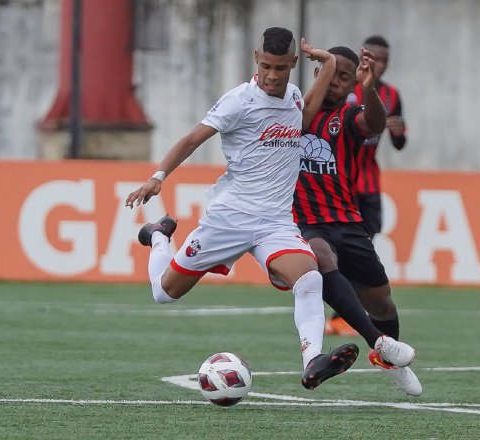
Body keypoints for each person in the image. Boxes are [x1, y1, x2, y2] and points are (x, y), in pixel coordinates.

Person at [125, 28, 369, 391]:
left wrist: (331, 63)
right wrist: (158, 176)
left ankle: (313, 360)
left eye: (281, 68)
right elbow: (193, 139)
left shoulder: (294, 97)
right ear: (257, 58)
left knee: (310, 277)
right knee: (164, 292)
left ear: (293, 65)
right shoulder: (239, 101)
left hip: (275, 223)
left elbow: (301, 121)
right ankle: (158, 236)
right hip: (229, 219)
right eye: (267, 66)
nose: (273, 75)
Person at [293, 45, 422, 395]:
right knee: (321, 258)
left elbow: (375, 124)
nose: (335, 82)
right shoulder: (294, 112)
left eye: (345, 78)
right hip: (304, 222)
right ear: (319, 73)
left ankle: (389, 357)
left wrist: (369, 88)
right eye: (330, 73)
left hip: (347, 221)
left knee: (381, 301)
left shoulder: (347, 118)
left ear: (353, 85)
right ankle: (378, 343)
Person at [325, 35, 407, 337]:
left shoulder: (392, 94)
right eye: (374, 58)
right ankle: (340, 316)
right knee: (333, 253)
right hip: (340, 184)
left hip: (369, 184)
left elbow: (399, 141)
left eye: (385, 59)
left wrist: (397, 133)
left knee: (361, 252)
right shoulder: (345, 89)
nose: (380, 64)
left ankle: (343, 316)